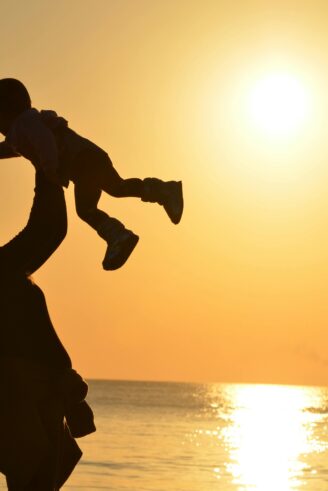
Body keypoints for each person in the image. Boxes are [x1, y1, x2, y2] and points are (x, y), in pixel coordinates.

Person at [0, 78, 184, 270]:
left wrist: (49, 168)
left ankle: (119, 236)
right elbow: (14, 147)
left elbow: (43, 141)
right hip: (88, 158)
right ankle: (162, 191)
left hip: (82, 162)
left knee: (87, 208)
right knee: (117, 188)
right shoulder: (23, 127)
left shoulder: (24, 123)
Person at [0, 170, 95, 490]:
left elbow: (47, 231)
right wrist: (46, 165)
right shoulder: (3, 273)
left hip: (37, 397)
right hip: (22, 397)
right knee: (32, 475)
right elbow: (47, 230)